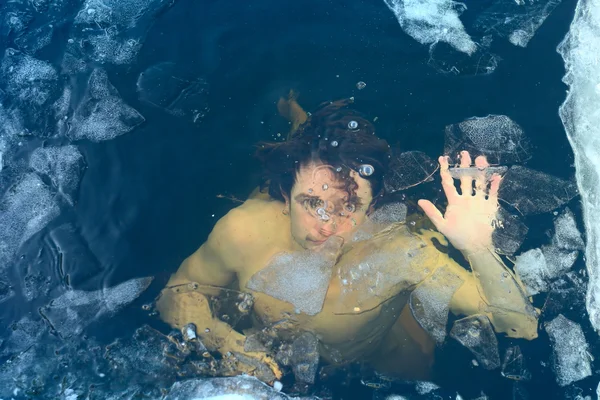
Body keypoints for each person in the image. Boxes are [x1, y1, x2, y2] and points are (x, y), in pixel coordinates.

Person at [156, 94, 538, 384]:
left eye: (349, 207)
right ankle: (299, 117)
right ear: (286, 197)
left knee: (419, 373)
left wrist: (477, 248)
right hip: (270, 344)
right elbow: (175, 297)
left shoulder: (402, 252)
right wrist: (226, 342)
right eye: (312, 202)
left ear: (372, 211)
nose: (327, 224)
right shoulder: (243, 230)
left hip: (378, 351)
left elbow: (521, 326)